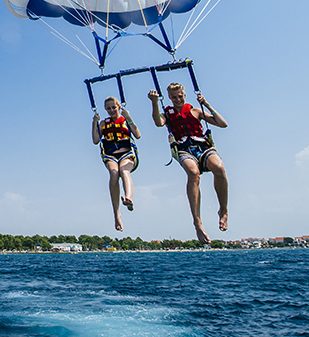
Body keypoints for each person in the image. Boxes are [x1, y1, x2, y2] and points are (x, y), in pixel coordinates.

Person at [148, 82, 228, 244]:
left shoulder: (196, 111)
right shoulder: (168, 114)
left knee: (219, 167)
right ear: (169, 98)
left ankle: (224, 210)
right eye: (174, 97)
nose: (178, 100)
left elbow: (222, 123)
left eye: (180, 96)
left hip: (203, 147)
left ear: (185, 95)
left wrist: (206, 104)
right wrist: (155, 102)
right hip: (184, 149)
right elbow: (158, 122)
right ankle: (197, 222)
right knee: (193, 173)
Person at [91, 96, 141, 232]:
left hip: (127, 154)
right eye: (108, 108)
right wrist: (94, 123)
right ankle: (117, 214)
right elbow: (96, 140)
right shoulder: (103, 123)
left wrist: (129, 118)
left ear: (119, 106)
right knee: (114, 173)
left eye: (114, 107)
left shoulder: (125, 120)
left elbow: (137, 135)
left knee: (124, 171)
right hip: (111, 155)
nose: (112, 110)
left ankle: (129, 198)